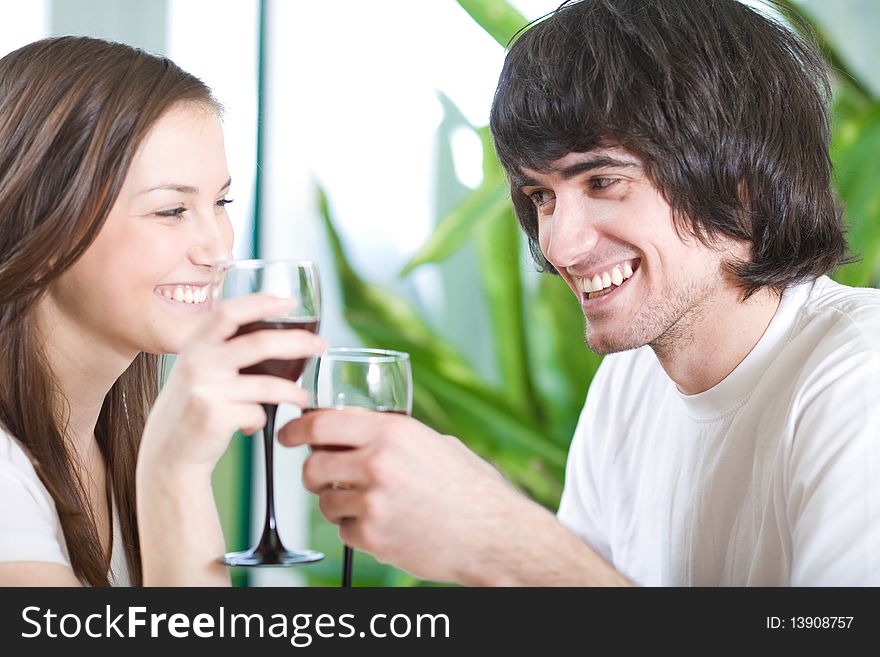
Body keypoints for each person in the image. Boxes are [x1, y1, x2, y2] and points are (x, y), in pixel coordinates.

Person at [282, 0, 880, 585]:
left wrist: (507, 544)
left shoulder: (859, 378)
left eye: (604, 181)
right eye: (541, 196)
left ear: (743, 182)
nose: (560, 246)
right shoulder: (630, 382)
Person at [0, 36, 325, 586]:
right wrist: (174, 472)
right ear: (42, 222)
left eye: (220, 203)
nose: (217, 249)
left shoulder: (112, 442)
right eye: (171, 209)